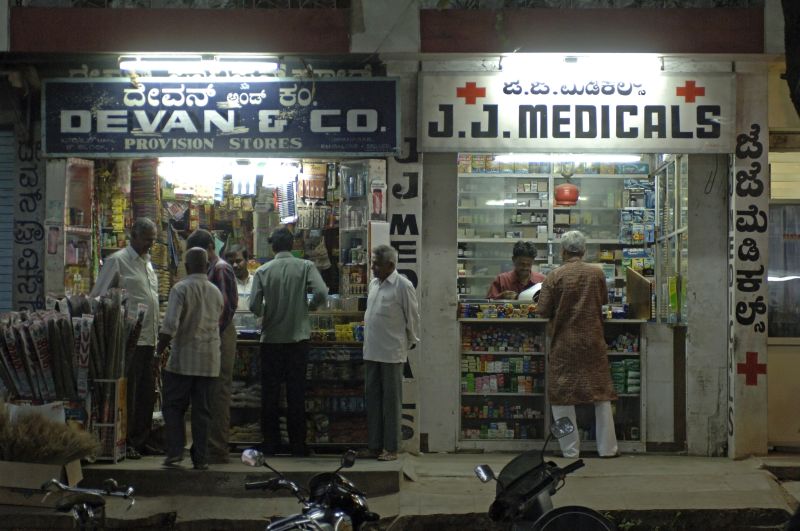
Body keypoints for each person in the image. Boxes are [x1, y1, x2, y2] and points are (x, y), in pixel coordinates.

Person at [536, 230, 619, 459]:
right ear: (584, 251)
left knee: (562, 396)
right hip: (593, 341)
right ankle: (608, 449)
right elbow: (603, 301)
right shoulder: (597, 274)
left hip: (565, 344)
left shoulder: (555, 276)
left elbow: (542, 310)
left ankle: (570, 450)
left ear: (563, 251)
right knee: (601, 394)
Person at [249, 226, 328, 456]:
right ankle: (298, 445)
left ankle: (270, 444)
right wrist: (309, 307)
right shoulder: (305, 267)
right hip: (297, 340)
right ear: (293, 245)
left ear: (272, 246)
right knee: (296, 394)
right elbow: (322, 292)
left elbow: (254, 306)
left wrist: (268, 310)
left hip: (271, 341)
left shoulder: (263, 271)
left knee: (270, 395)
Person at [90, 217, 159, 460]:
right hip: (128, 339)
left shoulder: (147, 264)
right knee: (128, 393)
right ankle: (127, 441)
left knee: (145, 394)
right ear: (134, 236)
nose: (151, 244)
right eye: (147, 239)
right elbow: (98, 297)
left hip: (149, 339)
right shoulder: (117, 261)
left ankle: (140, 440)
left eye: (153, 239)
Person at [157, 247, 223, 470]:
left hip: (183, 359)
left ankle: (176, 451)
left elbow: (169, 326)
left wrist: (158, 351)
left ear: (186, 266)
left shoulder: (180, 288)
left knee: (174, 407)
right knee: (202, 411)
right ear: (207, 266)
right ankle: (200, 458)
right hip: (209, 361)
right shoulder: (215, 292)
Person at [362, 245, 420, 462]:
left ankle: (392, 448)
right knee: (374, 400)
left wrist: (411, 341)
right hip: (372, 351)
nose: (373, 268)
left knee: (391, 402)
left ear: (390, 266)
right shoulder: (374, 284)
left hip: (392, 352)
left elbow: (412, 316)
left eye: (376, 264)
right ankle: (375, 446)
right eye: (372, 263)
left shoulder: (402, 286)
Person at [186, 229, 238, 464]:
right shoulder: (209, 270)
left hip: (220, 336)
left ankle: (217, 448)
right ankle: (207, 445)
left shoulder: (220, 269)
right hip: (210, 336)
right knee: (207, 393)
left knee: (217, 393)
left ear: (209, 247)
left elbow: (225, 309)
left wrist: (209, 335)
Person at [224, 244, 253, 310]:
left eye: (238, 261)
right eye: (231, 262)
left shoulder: (256, 282)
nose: (234, 265)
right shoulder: (227, 284)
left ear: (247, 260)